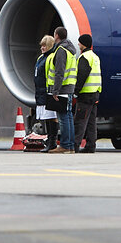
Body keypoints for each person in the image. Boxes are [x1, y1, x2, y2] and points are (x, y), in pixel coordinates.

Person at [46, 26, 77, 154]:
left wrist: (55, 90)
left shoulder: (61, 50)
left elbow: (59, 72)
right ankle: (70, 146)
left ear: (57, 36)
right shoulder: (70, 50)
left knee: (63, 118)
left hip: (62, 88)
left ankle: (64, 145)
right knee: (68, 117)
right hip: (69, 87)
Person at [73, 33, 101, 153]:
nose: (78, 44)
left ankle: (74, 145)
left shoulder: (84, 57)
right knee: (91, 122)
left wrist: (76, 91)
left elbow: (82, 75)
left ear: (83, 44)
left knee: (80, 121)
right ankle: (90, 146)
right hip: (95, 93)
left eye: (79, 42)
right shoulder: (95, 57)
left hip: (85, 94)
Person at [34, 35, 59, 152]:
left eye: (44, 46)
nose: (42, 48)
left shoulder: (51, 57)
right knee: (46, 118)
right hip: (40, 91)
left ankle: (52, 141)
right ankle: (50, 140)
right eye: (41, 46)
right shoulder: (41, 58)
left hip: (47, 91)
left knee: (51, 117)